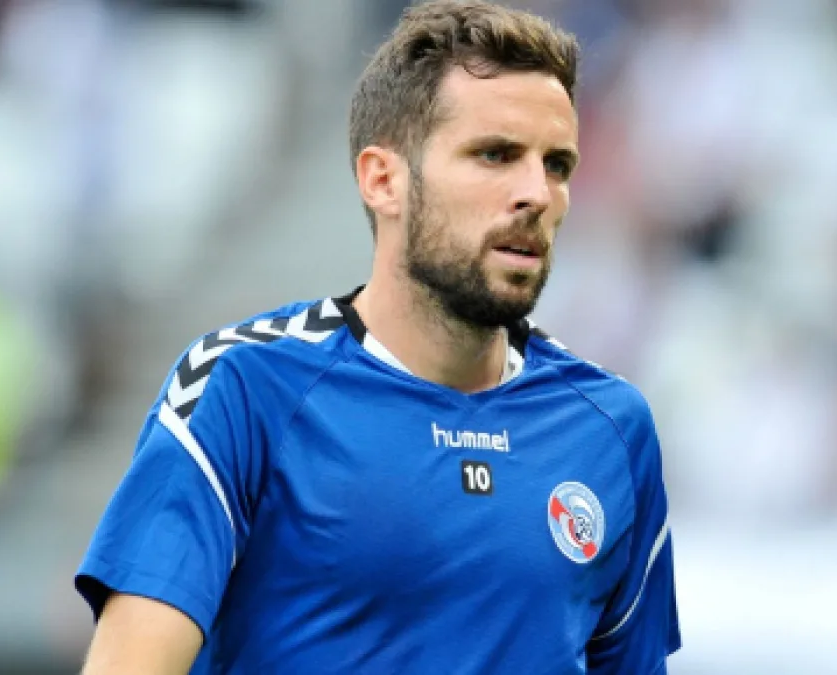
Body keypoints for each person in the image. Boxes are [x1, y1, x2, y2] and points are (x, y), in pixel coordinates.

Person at [74, 1, 681, 672]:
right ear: (383, 180)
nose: (538, 193)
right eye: (496, 154)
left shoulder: (611, 428)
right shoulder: (245, 387)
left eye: (557, 164)